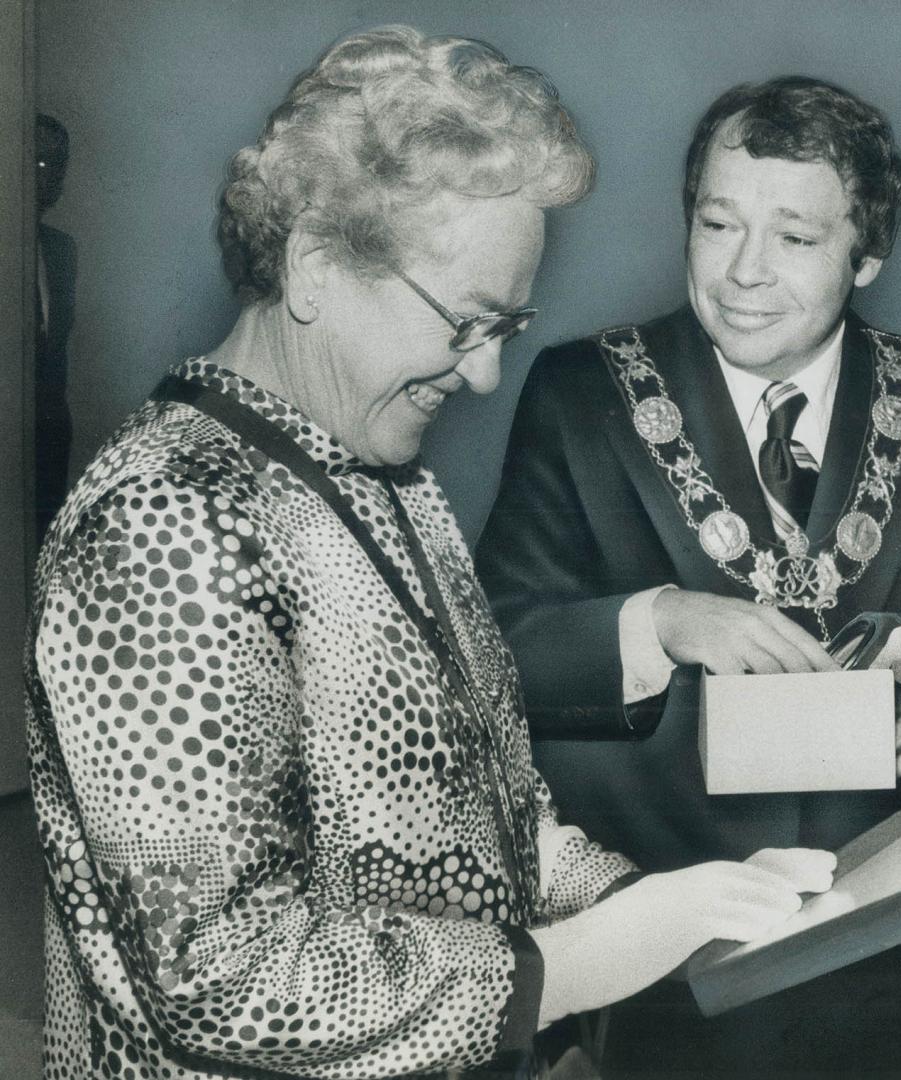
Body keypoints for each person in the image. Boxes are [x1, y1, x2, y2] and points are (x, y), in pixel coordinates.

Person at [25, 28, 833, 1080]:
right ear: (315, 263)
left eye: (509, 325)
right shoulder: (163, 526)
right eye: (465, 324)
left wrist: (666, 906)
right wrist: (559, 972)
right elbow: (219, 974)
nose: (488, 375)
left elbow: (498, 822)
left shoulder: (379, 471)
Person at [476, 76, 901, 1076]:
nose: (743, 273)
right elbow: (493, 655)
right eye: (718, 223)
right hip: (642, 938)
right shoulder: (578, 393)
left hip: (863, 935)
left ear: (869, 255)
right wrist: (662, 621)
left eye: (796, 239)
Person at [34, 113, 76, 544]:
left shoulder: (63, 250)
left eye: (57, 165)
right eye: (38, 162)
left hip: (49, 437)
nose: (48, 175)